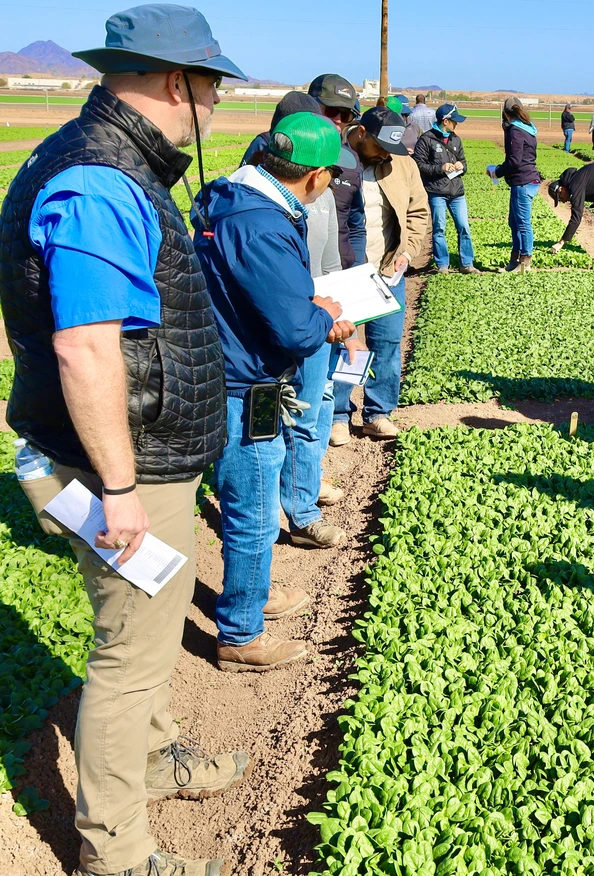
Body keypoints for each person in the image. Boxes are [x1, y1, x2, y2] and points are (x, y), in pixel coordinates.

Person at [0, 6, 251, 874]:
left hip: (133, 455)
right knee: (128, 660)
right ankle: (117, 852)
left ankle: (151, 758)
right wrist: (118, 487)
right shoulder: (102, 181)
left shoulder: (105, 159)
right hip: (120, 466)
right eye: (214, 83)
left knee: (142, 634)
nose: (217, 102)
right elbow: (86, 344)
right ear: (179, 83)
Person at [194, 113, 357, 672]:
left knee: (251, 498)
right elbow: (291, 328)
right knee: (254, 507)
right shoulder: (262, 223)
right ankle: (241, 633)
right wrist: (326, 317)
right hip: (246, 383)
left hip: (223, 365)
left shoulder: (232, 197)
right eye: (332, 176)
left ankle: (253, 592)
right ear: (315, 176)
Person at [243, 98, 353, 545]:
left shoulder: (304, 198)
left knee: (313, 409)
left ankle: (301, 505)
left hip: (311, 319)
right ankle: (272, 527)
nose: (331, 182)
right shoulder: (259, 208)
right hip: (278, 339)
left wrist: (338, 309)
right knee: (263, 441)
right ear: (314, 172)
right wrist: (317, 319)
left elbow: (326, 260)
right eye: (328, 173)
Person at [345, 107, 430, 439]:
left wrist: (406, 252)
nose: (384, 154)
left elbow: (418, 212)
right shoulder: (335, 158)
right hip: (346, 270)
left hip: (387, 269)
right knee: (345, 343)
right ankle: (339, 415)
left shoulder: (401, 164)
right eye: (380, 146)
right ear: (361, 132)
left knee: (387, 343)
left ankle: (377, 413)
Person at [307, 74, 366, 272]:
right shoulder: (275, 145)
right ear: (312, 106)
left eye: (346, 115)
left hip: (339, 273)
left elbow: (356, 225)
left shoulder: (350, 160)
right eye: (332, 110)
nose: (338, 120)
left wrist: (357, 267)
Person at [414, 103, 478, 274]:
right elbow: (418, 165)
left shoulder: (456, 139)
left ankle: (467, 264)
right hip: (437, 193)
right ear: (446, 121)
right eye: (454, 121)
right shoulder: (426, 139)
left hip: (457, 192)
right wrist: (440, 168)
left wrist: (460, 166)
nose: (457, 124)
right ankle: (442, 265)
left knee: (464, 227)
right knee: (439, 228)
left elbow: (464, 164)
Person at [489, 97, 540, 274]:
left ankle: (525, 262)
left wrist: (497, 171)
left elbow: (515, 161)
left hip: (523, 181)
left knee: (523, 223)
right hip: (527, 180)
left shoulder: (515, 131)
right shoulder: (528, 129)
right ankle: (515, 260)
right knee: (514, 222)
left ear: (505, 113)